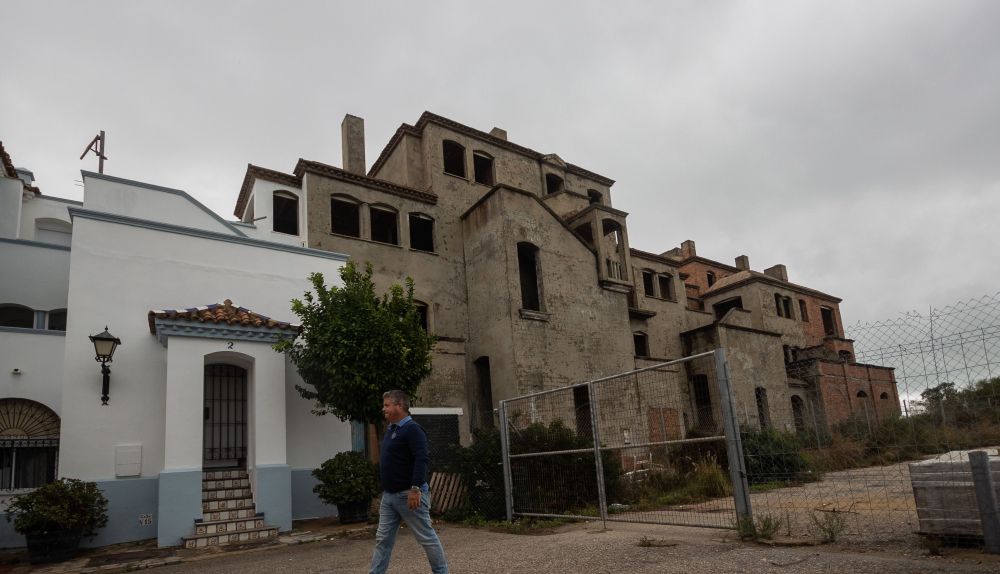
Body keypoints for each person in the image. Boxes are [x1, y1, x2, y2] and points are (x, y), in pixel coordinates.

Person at [369, 390, 448, 574]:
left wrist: (415, 488)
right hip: (389, 496)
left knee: (426, 538)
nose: (383, 409)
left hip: (409, 495)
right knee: (382, 540)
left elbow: (422, 459)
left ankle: (442, 572)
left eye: (387, 405)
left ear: (400, 405)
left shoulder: (413, 429)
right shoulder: (392, 429)